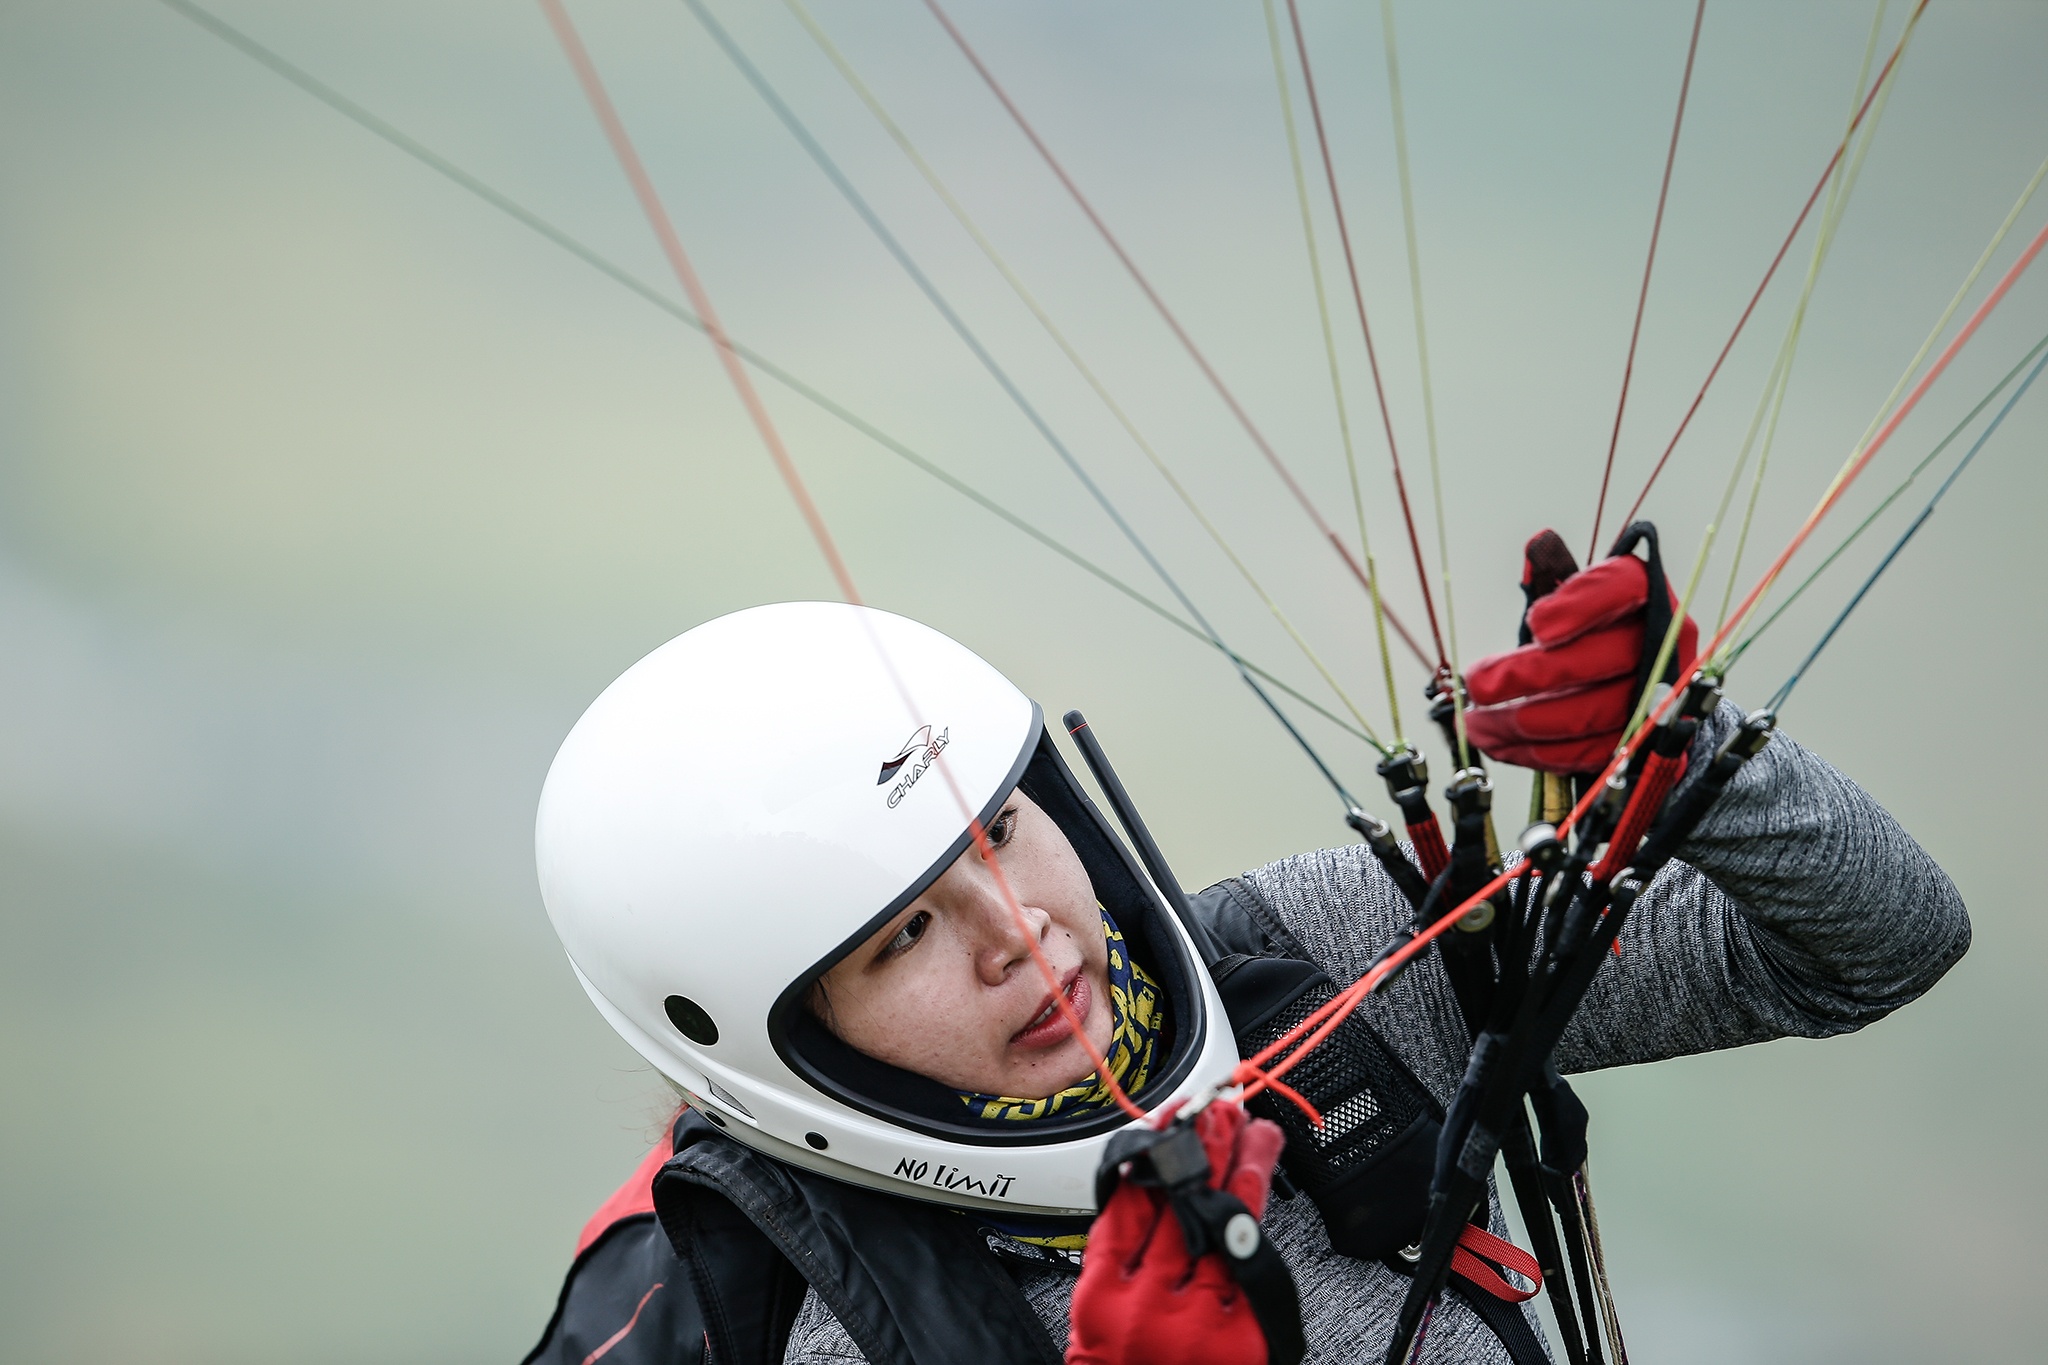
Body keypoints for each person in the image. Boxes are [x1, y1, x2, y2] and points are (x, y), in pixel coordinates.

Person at [521, 540, 1968, 1365]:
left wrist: (1688, 749)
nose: (1017, 930)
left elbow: (1873, 946)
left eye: (1003, 831)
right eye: (905, 930)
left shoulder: (1316, 969)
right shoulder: (860, 1345)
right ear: (794, 1044)